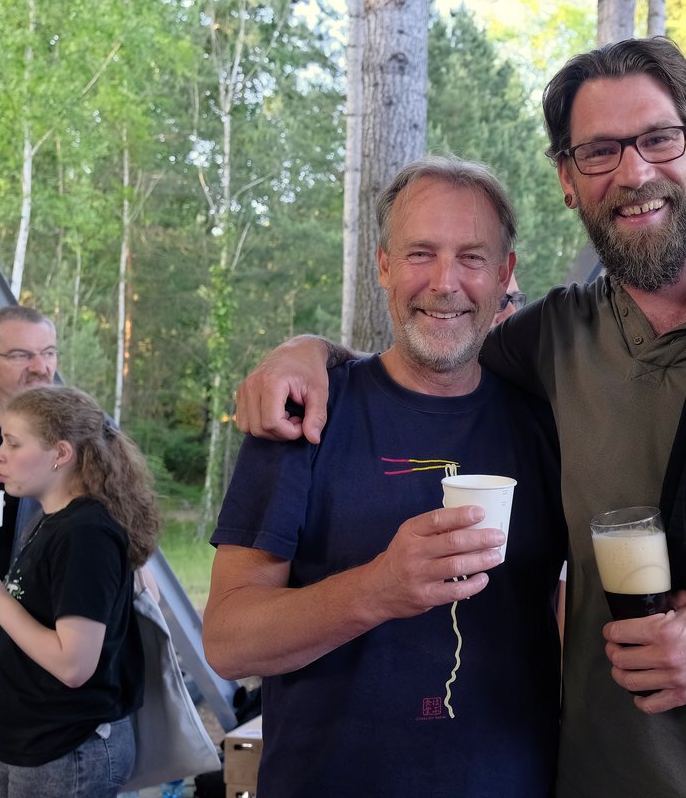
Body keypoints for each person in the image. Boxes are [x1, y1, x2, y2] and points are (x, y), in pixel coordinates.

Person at [234, 38, 686, 798]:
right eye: (600, 151)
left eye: (658, 139)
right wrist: (309, 352)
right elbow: (432, 343)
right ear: (569, 181)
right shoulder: (546, 342)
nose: (634, 173)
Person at [203, 156, 566, 797]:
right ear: (384, 266)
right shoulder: (307, 415)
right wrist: (379, 589)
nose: (445, 283)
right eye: (420, 253)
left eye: (472, 258)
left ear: (505, 274)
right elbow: (230, 642)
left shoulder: (549, 424)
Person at [0, 385, 160, 797]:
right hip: (26, 743)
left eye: (13, 443)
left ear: (60, 453)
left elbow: (74, 665)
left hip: (69, 749)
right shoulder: (52, 520)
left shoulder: (85, 533)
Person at [0, 306, 58, 791]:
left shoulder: (88, 434)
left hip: (45, 647)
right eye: (22, 354)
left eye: (48, 352)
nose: (41, 367)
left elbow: (130, 525)